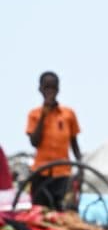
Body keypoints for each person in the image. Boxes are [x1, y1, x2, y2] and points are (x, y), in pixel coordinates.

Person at [25, 71, 82, 211]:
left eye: (53, 88)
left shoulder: (68, 114)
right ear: (40, 89)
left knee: (62, 211)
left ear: (58, 89)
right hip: (40, 174)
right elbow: (34, 142)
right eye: (46, 88)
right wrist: (44, 115)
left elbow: (74, 144)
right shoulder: (34, 114)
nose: (50, 91)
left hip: (62, 174)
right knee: (39, 213)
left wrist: (81, 167)